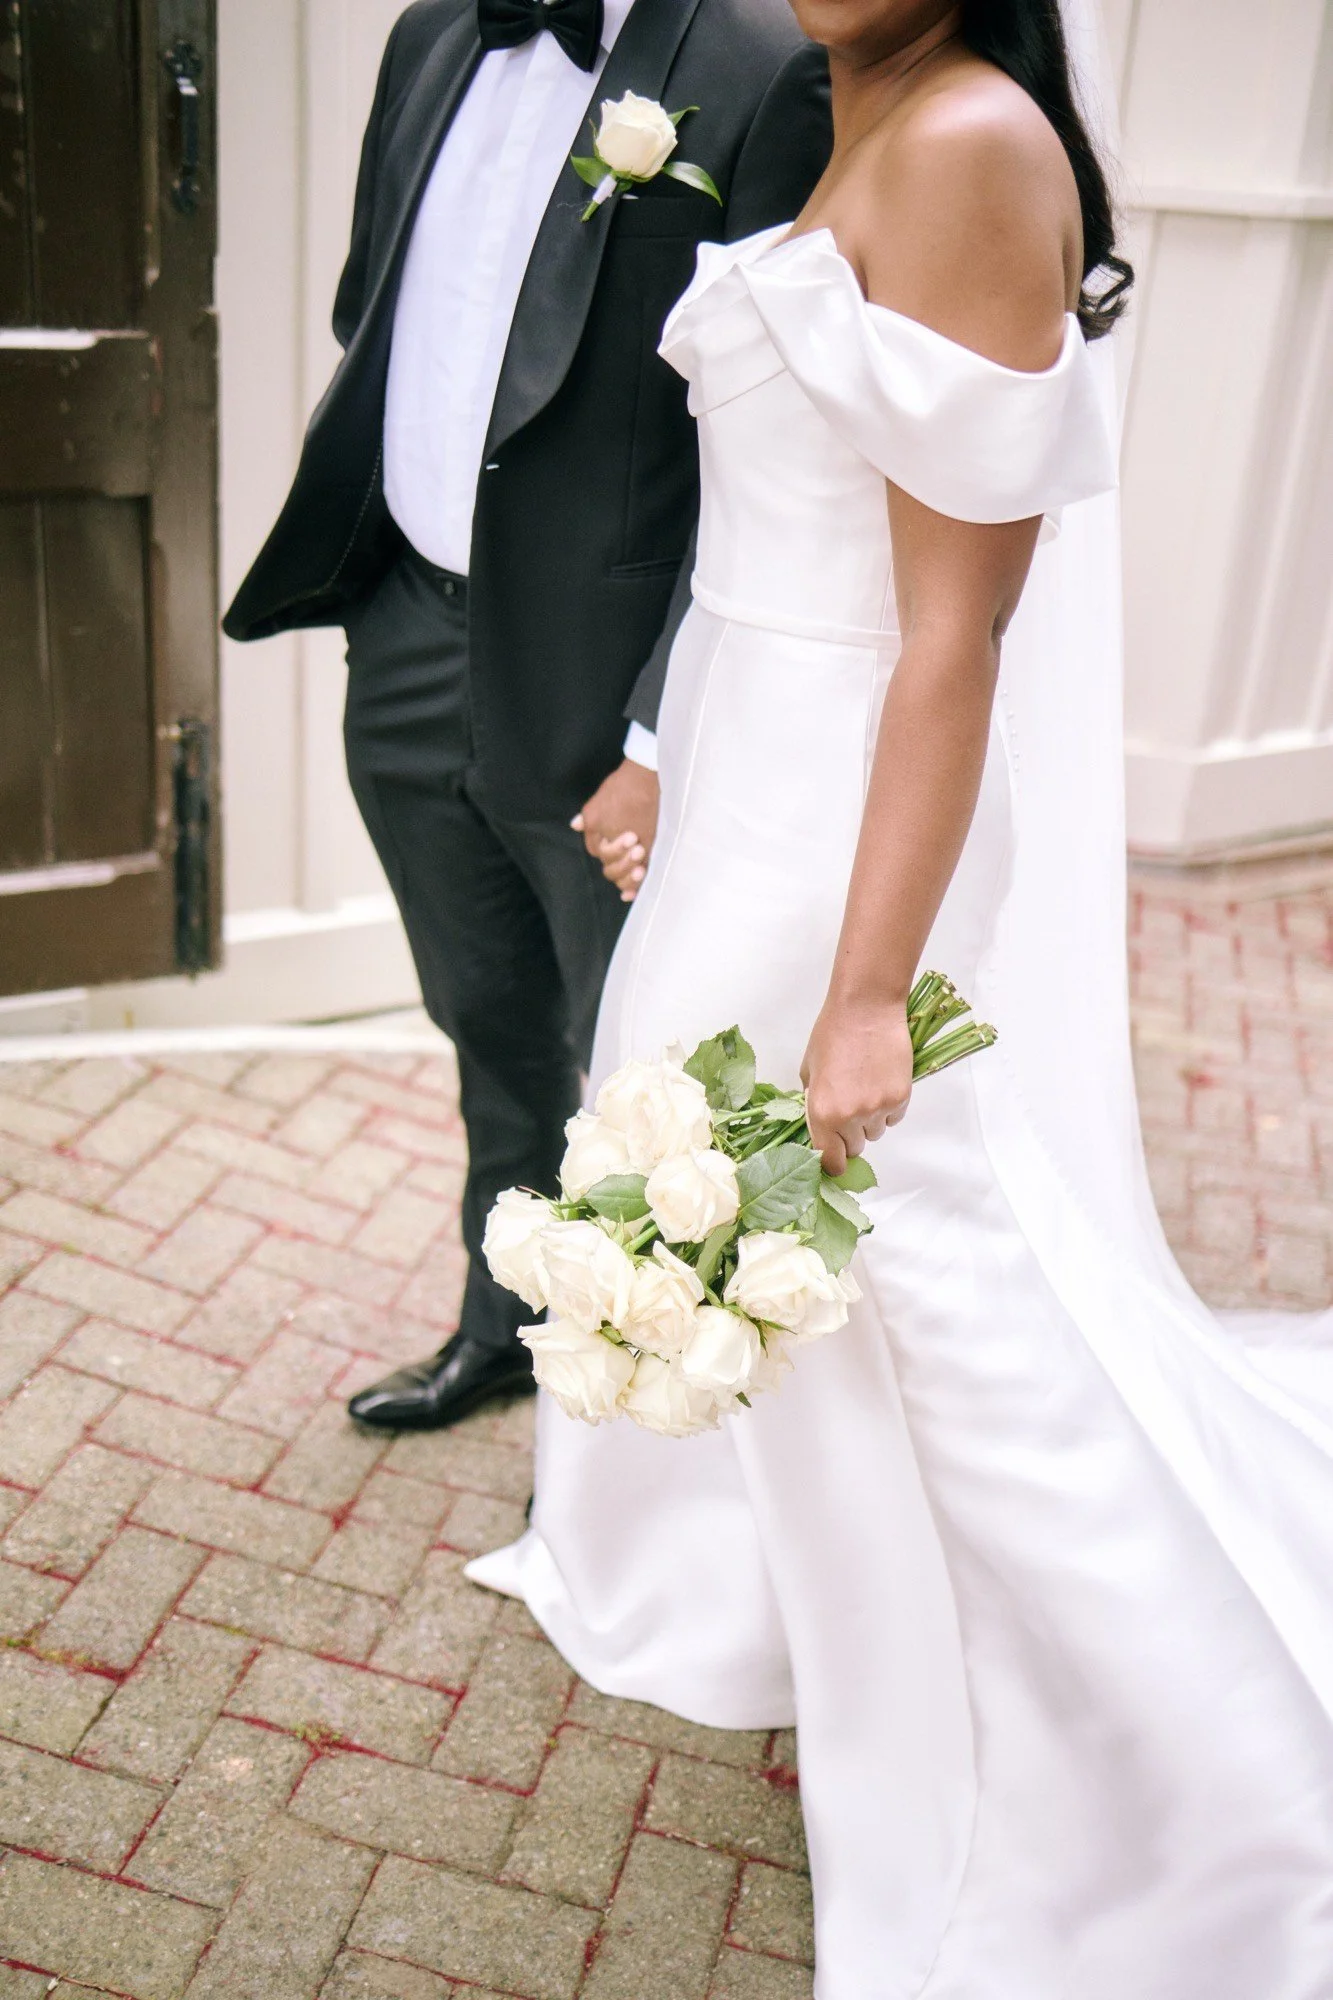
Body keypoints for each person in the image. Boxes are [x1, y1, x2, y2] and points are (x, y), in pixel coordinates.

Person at [468, 0, 1333, 1990]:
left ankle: (1194, 1776)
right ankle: (852, 1634)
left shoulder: (962, 144)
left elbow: (955, 636)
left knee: (913, 1283)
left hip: (850, 838)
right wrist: (682, 754)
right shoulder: (859, 113)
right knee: (798, 1274)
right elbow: (794, 546)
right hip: (760, 784)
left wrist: (870, 991)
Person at [223, 0, 831, 1430]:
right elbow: (377, 302)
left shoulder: (761, 67)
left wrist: (657, 731)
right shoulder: (433, 32)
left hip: (598, 686)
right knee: (485, 1014)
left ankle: (658, 1431)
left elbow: (780, 454)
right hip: (411, 632)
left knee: (639, 1060)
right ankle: (504, 1325)